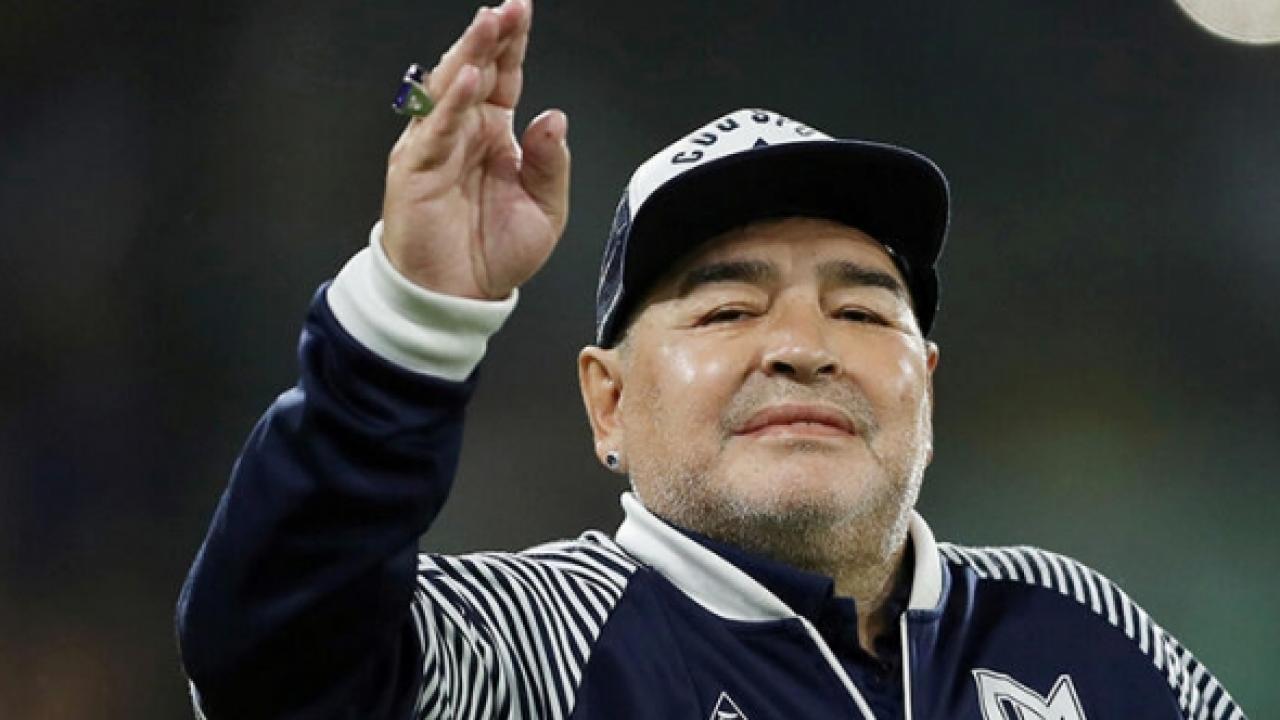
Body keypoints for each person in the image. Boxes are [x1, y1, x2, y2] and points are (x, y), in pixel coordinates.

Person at [176, 1, 1247, 718]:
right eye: (729, 309)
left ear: (924, 388)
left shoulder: (1078, 628)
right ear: (606, 403)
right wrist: (411, 323)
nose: (804, 349)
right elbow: (272, 663)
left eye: (859, 311)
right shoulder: (533, 648)